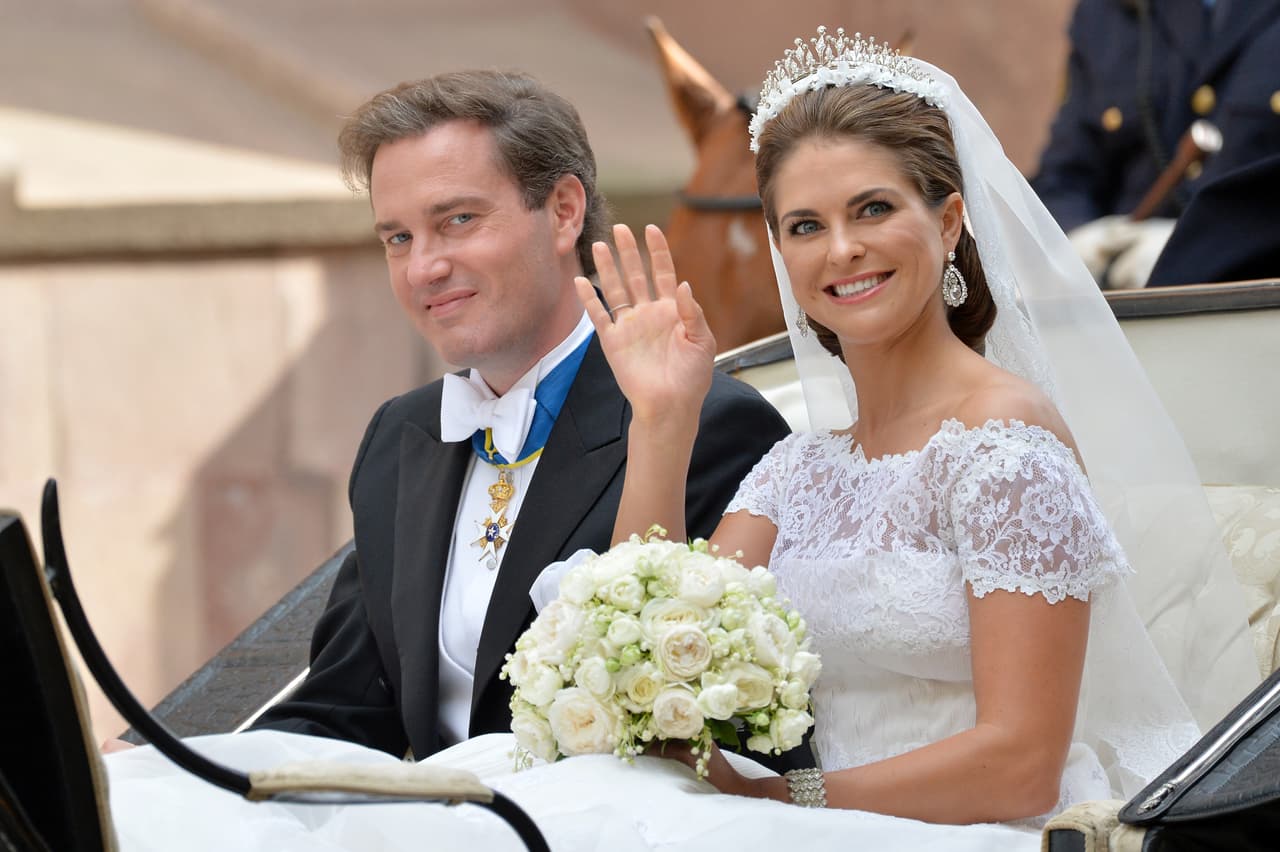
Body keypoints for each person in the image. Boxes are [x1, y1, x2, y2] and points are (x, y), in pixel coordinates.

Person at [102, 31, 1257, 851]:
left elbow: (1016, 761)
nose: (836, 252)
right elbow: (641, 643)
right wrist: (658, 418)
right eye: (801, 224)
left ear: (945, 220)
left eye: (870, 211)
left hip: (953, 824)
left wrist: (779, 803)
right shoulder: (798, 462)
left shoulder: (1003, 447)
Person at [245, 69, 792, 761]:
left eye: (457, 221)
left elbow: (722, 728)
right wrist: (169, 770)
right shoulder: (399, 435)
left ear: (564, 210)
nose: (423, 269)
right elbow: (347, 708)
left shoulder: (711, 425)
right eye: (398, 238)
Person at [1031, 0, 1280, 288]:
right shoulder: (1104, 11)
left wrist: (1200, 247)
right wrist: (1077, 238)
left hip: (1258, 303)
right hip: (1127, 305)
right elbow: (1064, 177)